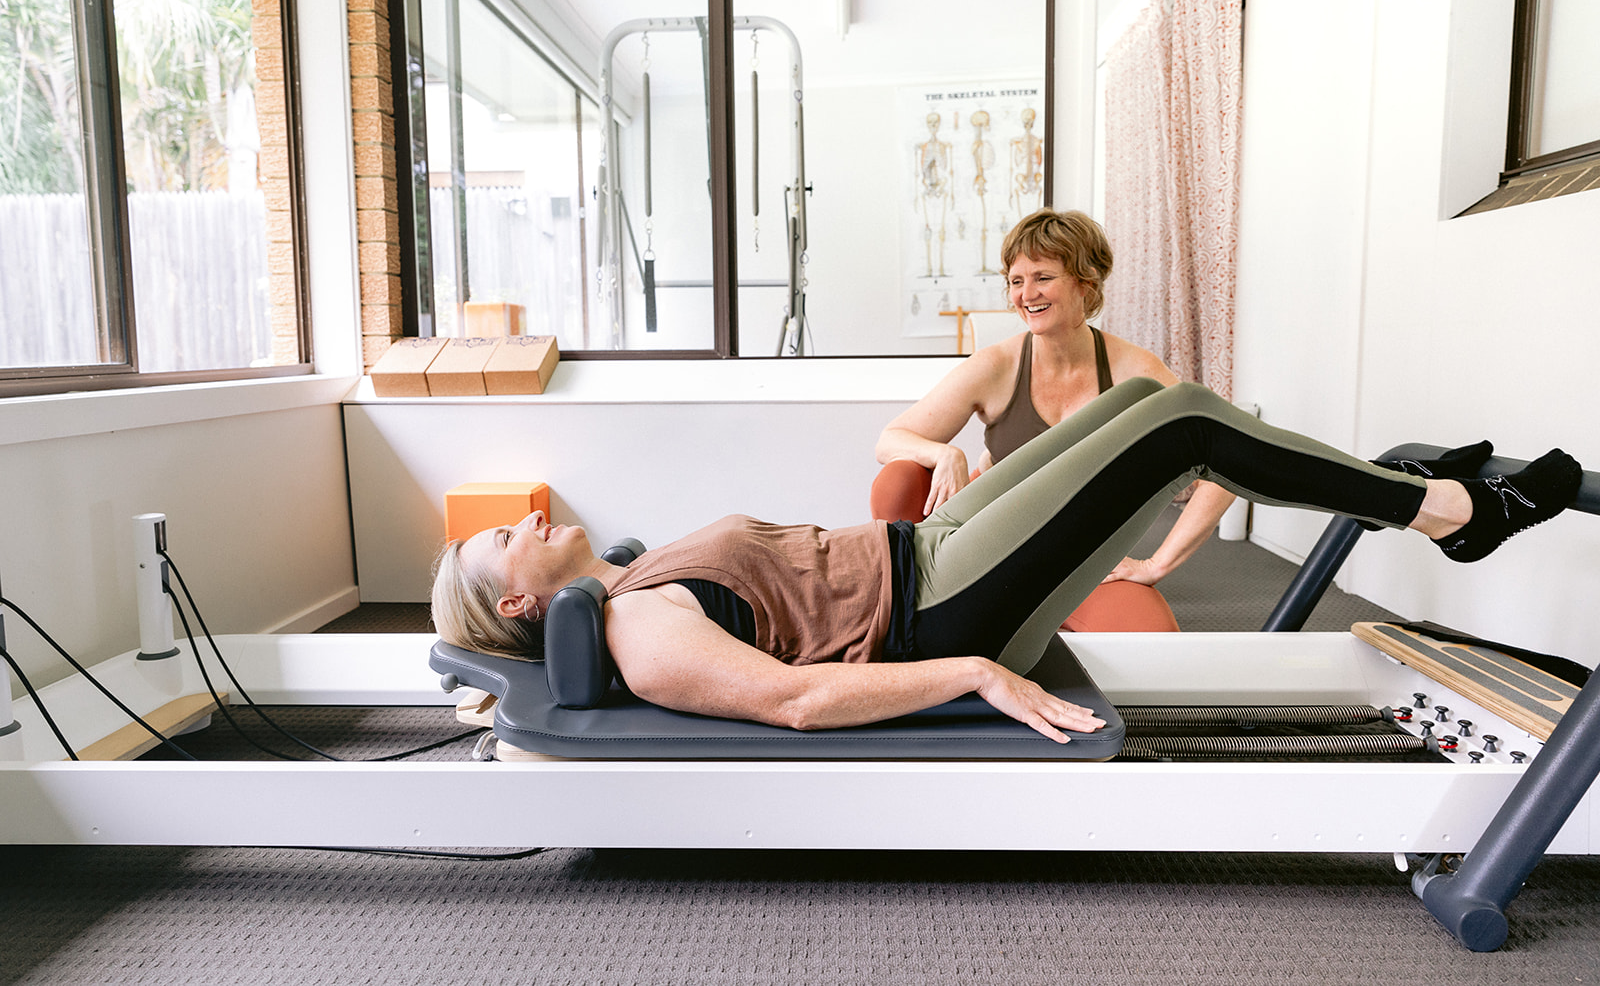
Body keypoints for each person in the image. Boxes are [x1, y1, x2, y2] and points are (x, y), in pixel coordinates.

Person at [431, 377, 1582, 744]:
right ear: (521, 599)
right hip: (940, 608)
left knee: (1148, 397)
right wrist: (977, 673)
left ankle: (1439, 507)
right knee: (1181, 428)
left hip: (924, 552)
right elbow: (797, 696)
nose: (524, 514)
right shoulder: (637, 629)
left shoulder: (629, 574)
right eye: (500, 538)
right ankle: (1447, 510)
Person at [874, 207, 1233, 589]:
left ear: (1086, 283)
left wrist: (1157, 564)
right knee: (897, 479)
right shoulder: (996, 366)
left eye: (1043, 277)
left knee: (1151, 638)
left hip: (1082, 561)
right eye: (1016, 281)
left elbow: (1226, 460)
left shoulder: (1134, 371)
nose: (1027, 295)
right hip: (995, 551)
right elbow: (890, 439)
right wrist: (945, 454)